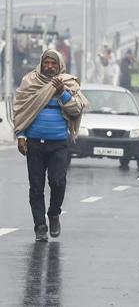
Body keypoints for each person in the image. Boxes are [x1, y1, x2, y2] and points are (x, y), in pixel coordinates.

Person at [12, 49, 87, 242]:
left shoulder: (67, 83)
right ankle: (40, 226)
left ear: (60, 65)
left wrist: (62, 93)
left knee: (58, 182)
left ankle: (54, 214)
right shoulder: (30, 82)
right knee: (36, 187)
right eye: (47, 62)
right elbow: (20, 110)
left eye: (54, 63)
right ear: (41, 64)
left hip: (58, 145)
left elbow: (76, 110)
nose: (50, 66)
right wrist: (21, 135)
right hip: (35, 144)